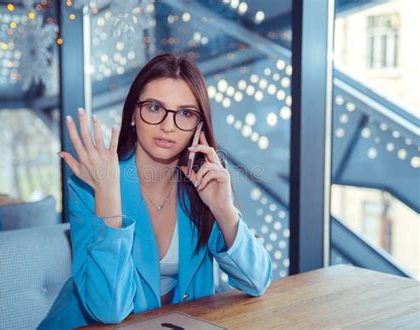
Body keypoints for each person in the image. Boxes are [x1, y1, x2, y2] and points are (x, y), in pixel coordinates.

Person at [38, 53, 272, 329]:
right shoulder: (91, 183)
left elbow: (256, 281)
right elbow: (108, 310)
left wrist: (223, 209)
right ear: (134, 114)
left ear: (198, 126)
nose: (168, 125)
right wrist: (110, 201)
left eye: (185, 113)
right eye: (154, 108)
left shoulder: (201, 182)